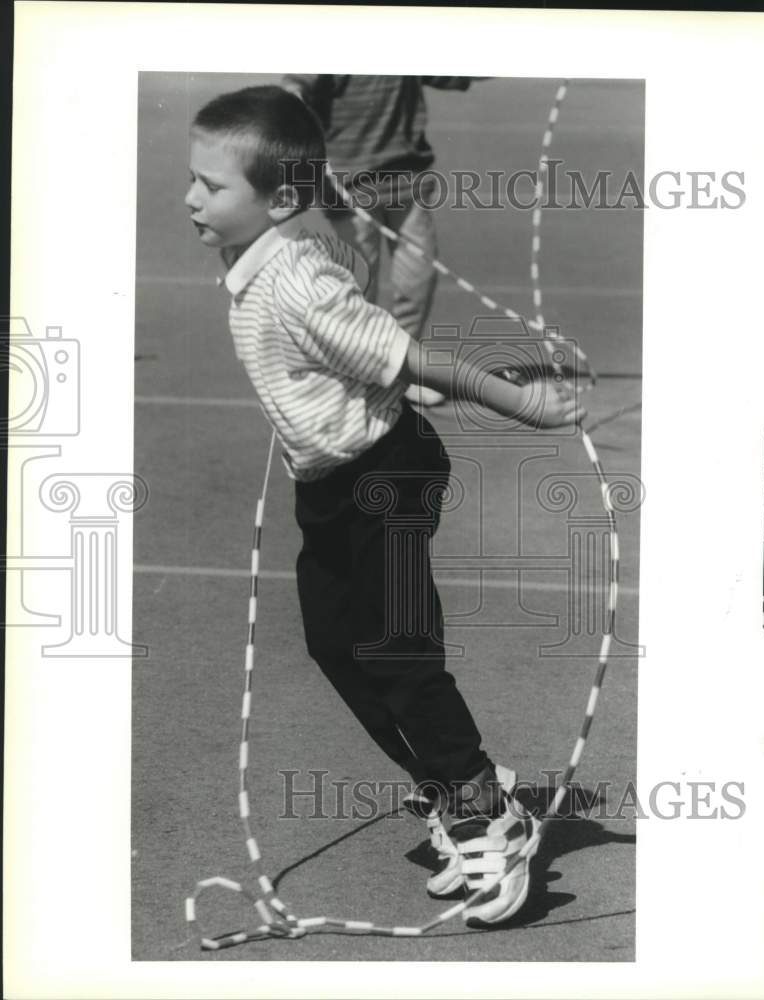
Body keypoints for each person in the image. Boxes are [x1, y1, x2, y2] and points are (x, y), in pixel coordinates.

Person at [184, 85, 585, 926]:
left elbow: (414, 358)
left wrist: (527, 406)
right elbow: (337, 240)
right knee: (335, 643)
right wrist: (319, 188)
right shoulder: (262, 247)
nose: (191, 198)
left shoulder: (294, 282)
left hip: (386, 476)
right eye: (194, 180)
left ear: (274, 200)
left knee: (397, 649)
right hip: (328, 483)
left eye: (211, 187)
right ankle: (454, 786)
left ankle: (487, 817)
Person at [279, 74, 485, 408]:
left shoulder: (407, 31)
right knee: (359, 284)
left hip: (408, 178)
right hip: (348, 184)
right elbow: (297, 84)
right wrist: (293, 102)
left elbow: (452, 69)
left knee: (417, 276)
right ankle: (354, 373)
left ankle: (404, 372)